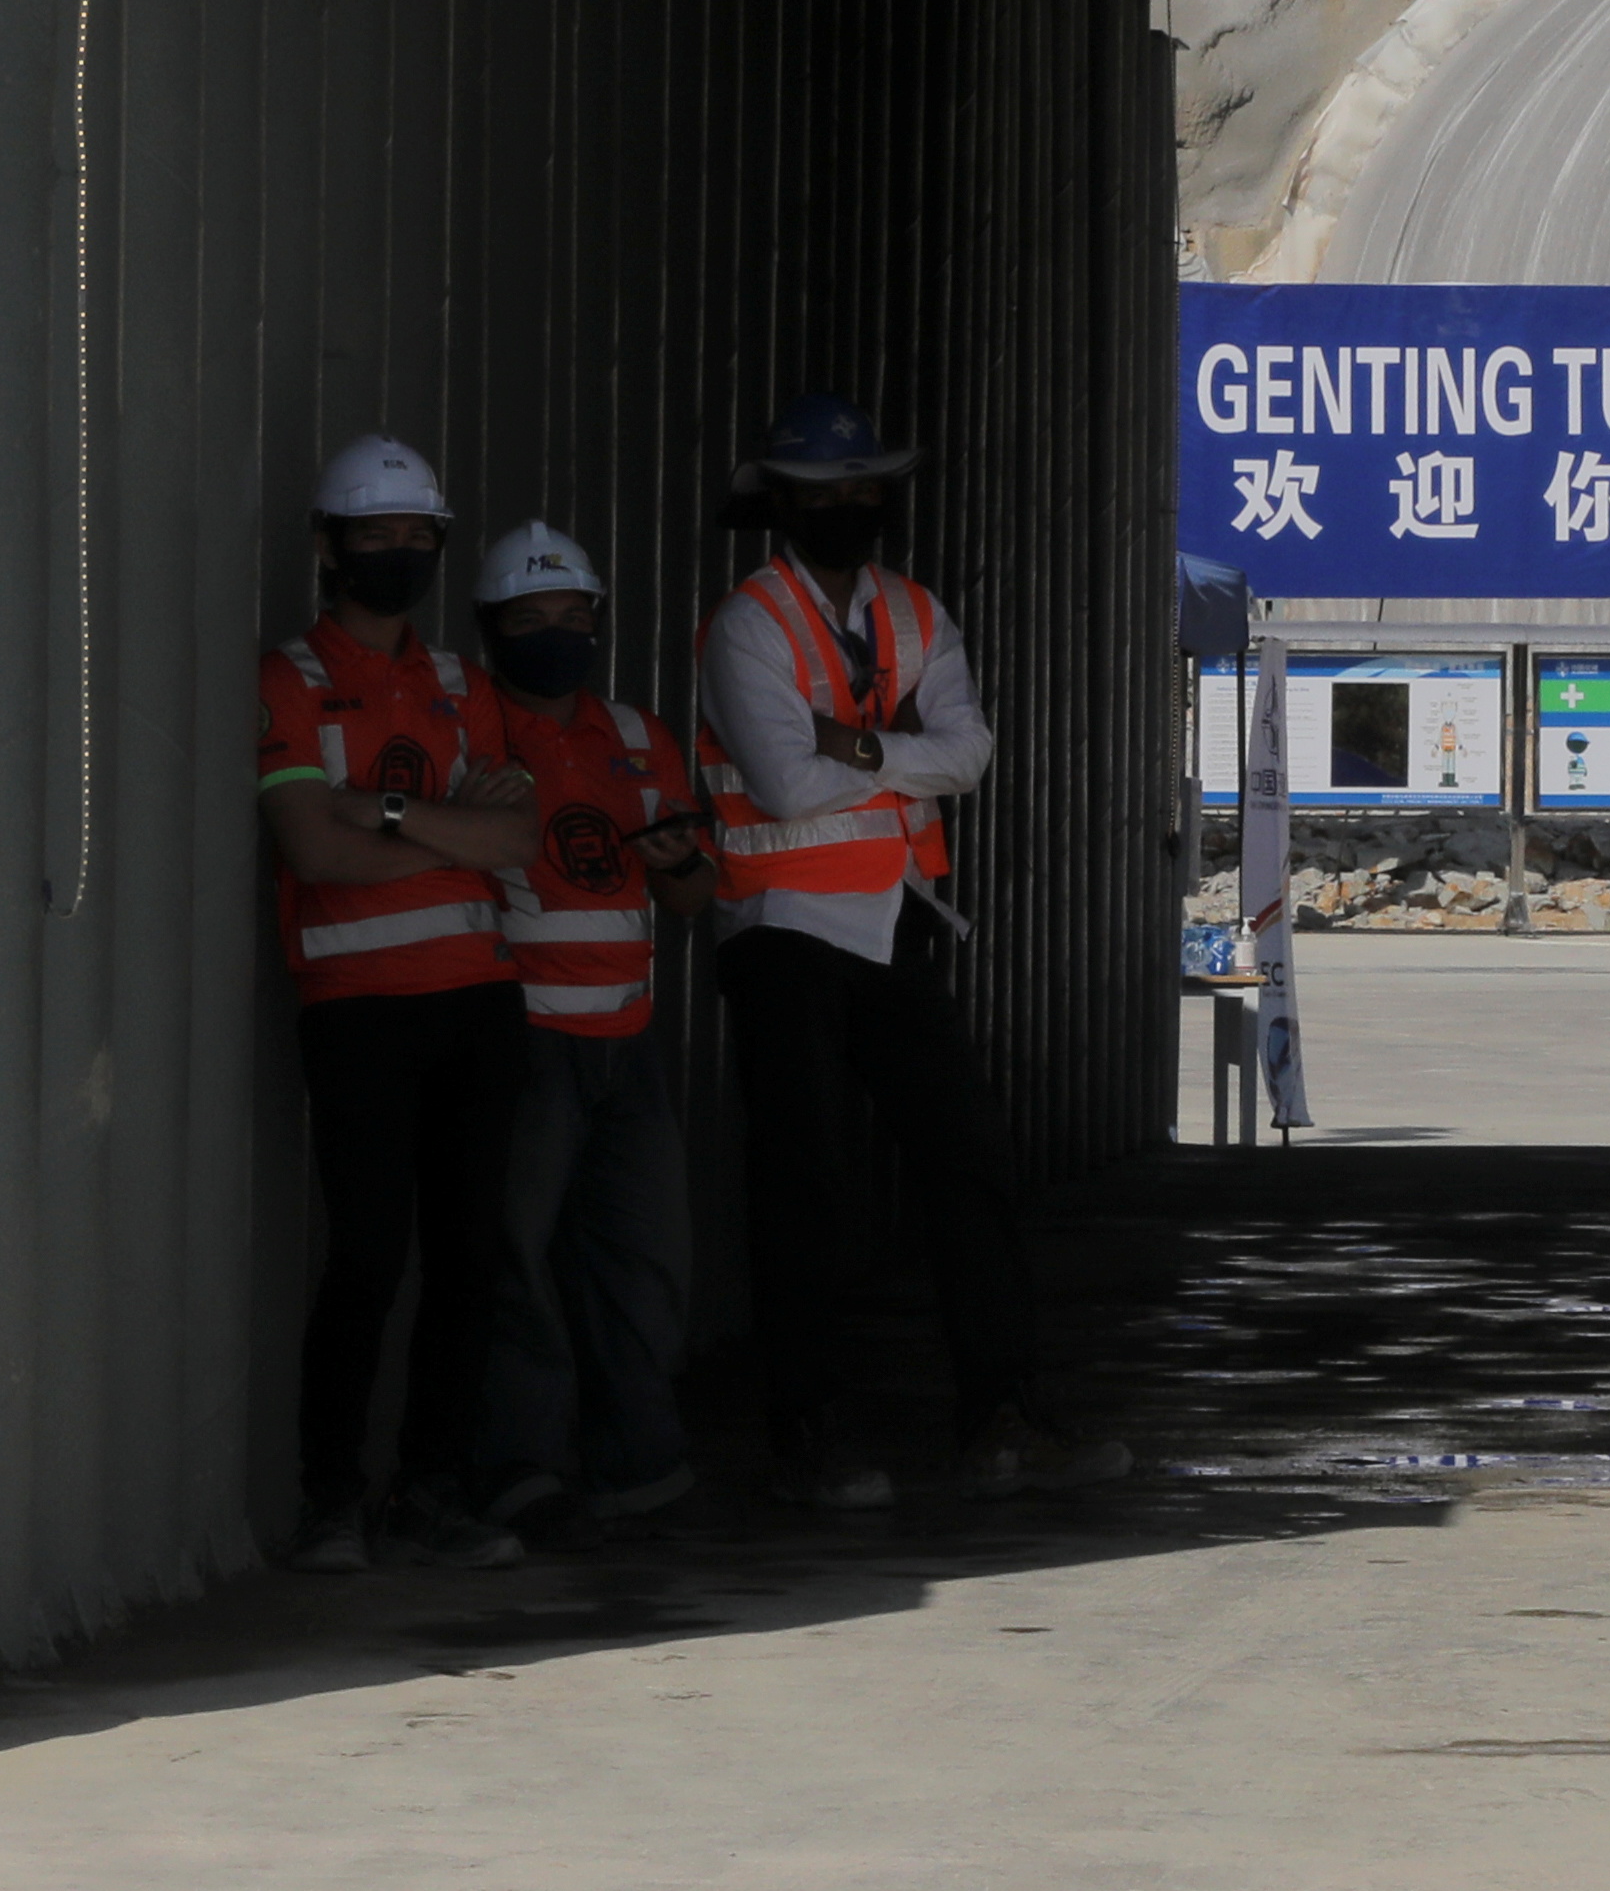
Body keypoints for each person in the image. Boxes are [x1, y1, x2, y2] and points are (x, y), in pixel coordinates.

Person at [694, 389, 1115, 1505]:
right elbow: (782, 785)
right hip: (785, 930)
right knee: (806, 1187)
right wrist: (901, 750)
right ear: (783, 504)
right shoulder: (748, 625)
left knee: (969, 1166)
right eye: (825, 492)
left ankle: (1003, 1414)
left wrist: (852, 740)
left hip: (892, 924)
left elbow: (971, 754)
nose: (849, 505)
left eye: (864, 488)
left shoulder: (916, 614)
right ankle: (809, 1431)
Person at [255, 433, 544, 1576]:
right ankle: (331, 1500)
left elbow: (515, 838)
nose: (396, 555)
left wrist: (375, 811)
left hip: (477, 1007)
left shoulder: (466, 684)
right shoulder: (289, 678)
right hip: (356, 1007)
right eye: (373, 538)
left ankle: (433, 1491)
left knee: (470, 1258)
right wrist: (437, 830)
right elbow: (306, 850)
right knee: (369, 1257)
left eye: (415, 538)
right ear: (327, 549)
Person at [465, 520, 718, 1539]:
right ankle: (524, 1474)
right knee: (513, 1264)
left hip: (627, 1040)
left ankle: (637, 1466)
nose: (558, 636)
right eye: (532, 619)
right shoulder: (471, 730)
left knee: (643, 1261)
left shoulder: (633, 737)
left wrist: (673, 862)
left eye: (575, 617)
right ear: (491, 631)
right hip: (521, 1035)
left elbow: (698, 894)